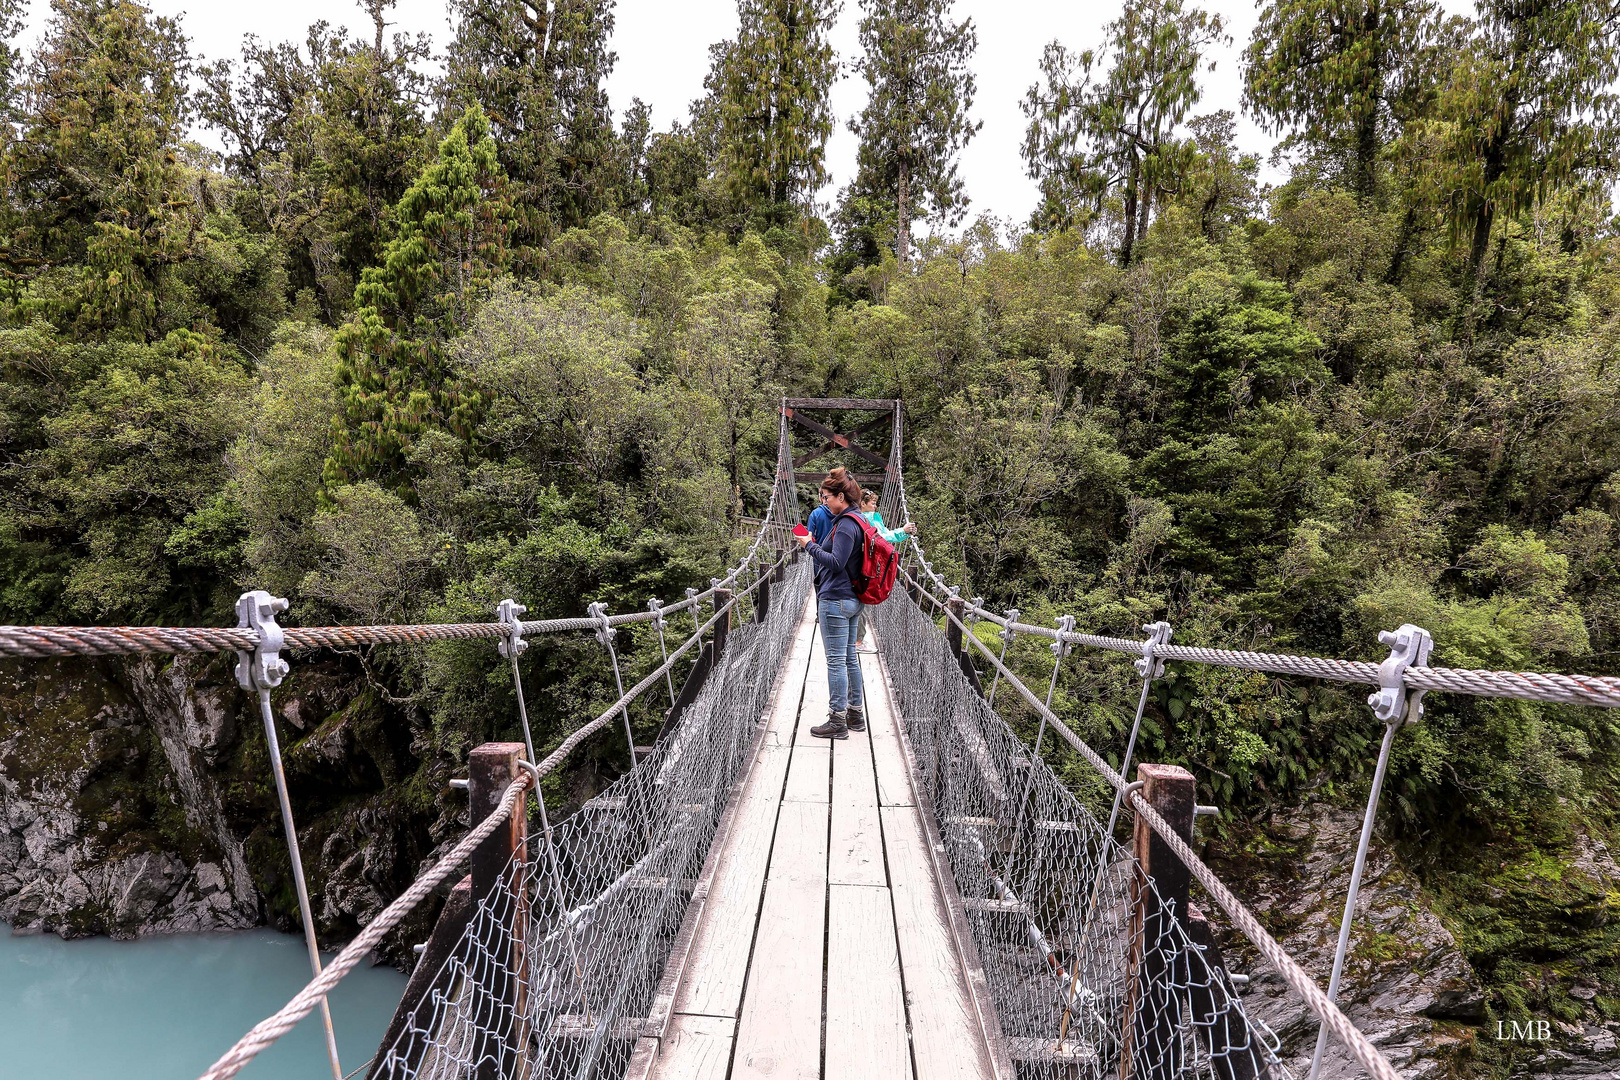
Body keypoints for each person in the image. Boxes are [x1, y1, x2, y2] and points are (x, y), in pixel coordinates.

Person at [795, 467, 868, 739]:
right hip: (851, 598)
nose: (823, 501)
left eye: (826, 497)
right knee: (849, 658)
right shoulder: (858, 519)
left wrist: (808, 546)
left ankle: (837, 721)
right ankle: (855, 715)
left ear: (840, 496)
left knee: (836, 661)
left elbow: (836, 563)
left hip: (835, 599)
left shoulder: (847, 524)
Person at [853, 489, 914, 653]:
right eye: (872, 503)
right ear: (863, 504)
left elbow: (883, 535)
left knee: (859, 601)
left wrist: (903, 532)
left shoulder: (866, 518)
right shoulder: (867, 519)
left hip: (863, 564)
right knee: (861, 602)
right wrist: (903, 531)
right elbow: (881, 538)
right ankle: (857, 643)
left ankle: (854, 640)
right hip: (865, 565)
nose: (875, 506)